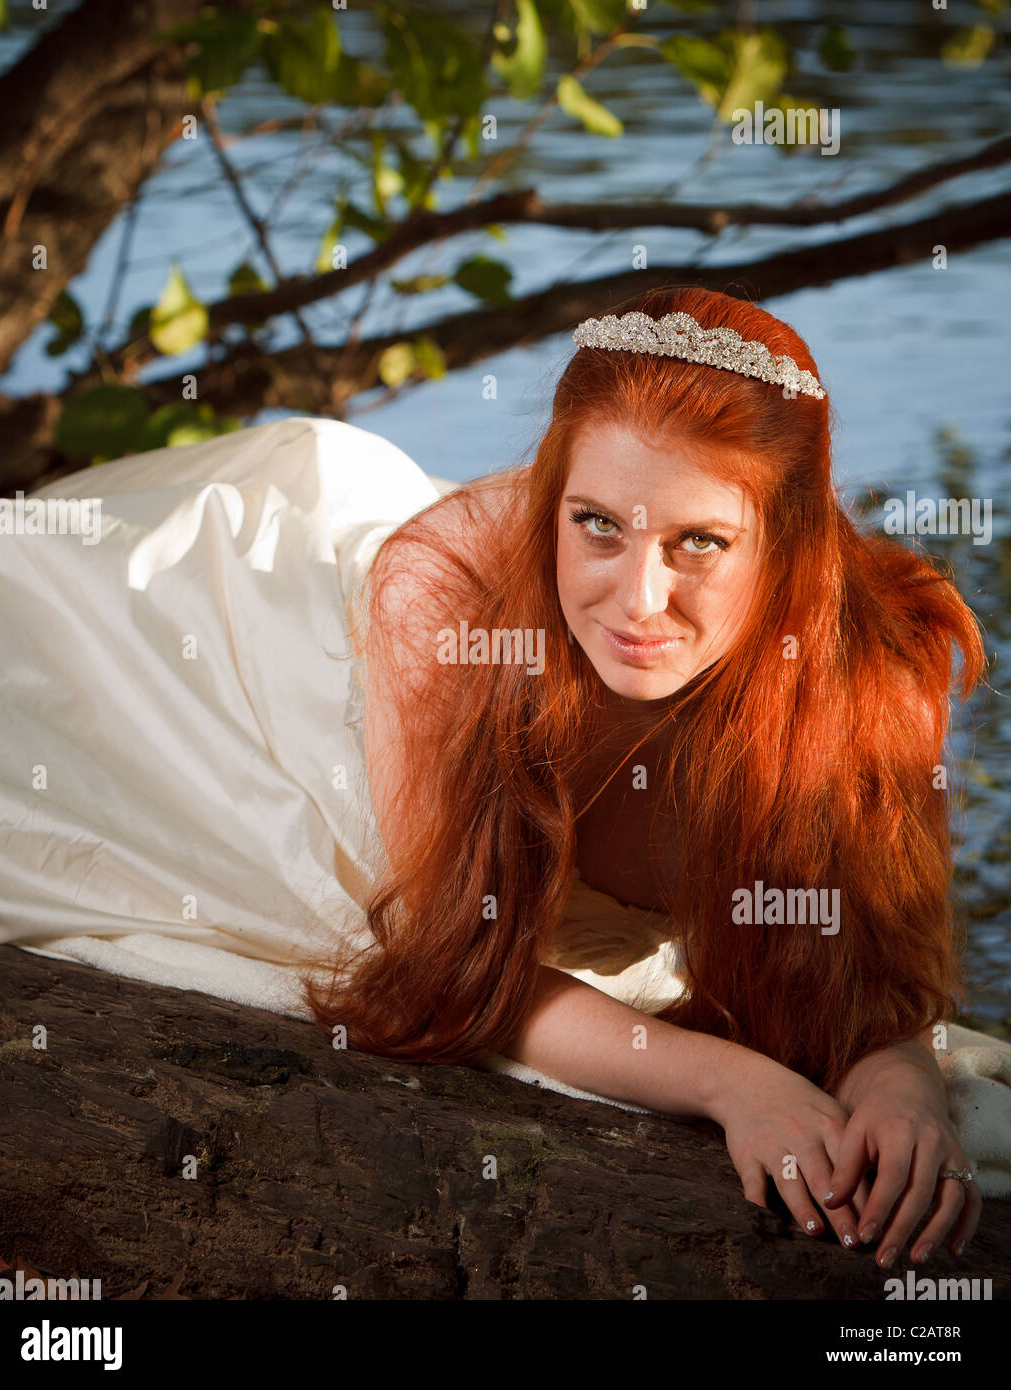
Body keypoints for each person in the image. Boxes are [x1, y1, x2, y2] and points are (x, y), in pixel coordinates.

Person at [300, 285, 991, 1271]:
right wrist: (727, 1081)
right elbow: (454, 964)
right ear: (553, 500)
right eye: (596, 525)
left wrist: (900, 1080)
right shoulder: (445, 607)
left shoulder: (882, 656)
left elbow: (880, 981)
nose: (637, 600)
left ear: (786, 540)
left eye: (696, 542)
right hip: (295, 715)